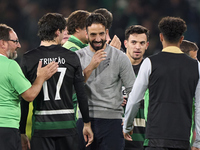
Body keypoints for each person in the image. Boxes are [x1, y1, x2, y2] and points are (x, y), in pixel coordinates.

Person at [123, 16, 200, 150]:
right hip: (182, 139)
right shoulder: (196, 67)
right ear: (181, 39)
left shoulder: (150, 63)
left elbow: (134, 99)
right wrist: (197, 141)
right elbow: (199, 107)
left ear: (161, 37)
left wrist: (127, 126)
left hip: (155, 138)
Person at [20, 13, 93, 150]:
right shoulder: (71, 57)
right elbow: (81, 93)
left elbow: (24, 99)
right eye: (63, 31)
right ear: (57, 32)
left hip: (41, 128)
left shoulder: (28, 58)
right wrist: (87, 123)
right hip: (67, 126)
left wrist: (22, 131)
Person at [76, 13, 136, 150]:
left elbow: (132, 90)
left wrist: (129, 119)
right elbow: (72, 91)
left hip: (112, 122)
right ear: (86, 33)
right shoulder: (77, 57)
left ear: (107, 32)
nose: (98, 39)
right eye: (93, 35)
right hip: (85, 121)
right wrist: (90, 67)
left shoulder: (120, 57)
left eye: (101, 34)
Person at [0, 24, 58, 150]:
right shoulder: (10, 65)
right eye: (15, 41)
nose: (18, 45)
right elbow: (29, 95)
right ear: (3, 43)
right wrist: (41, 77)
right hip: (6, 129)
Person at [123, 25, 149, 150]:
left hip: (143, 138)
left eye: (141, 43)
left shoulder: (152, 72)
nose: (137, 47)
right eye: (133, 42)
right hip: (116, 135)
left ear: (147, 45)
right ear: (126, 43)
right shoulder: (114, 69)